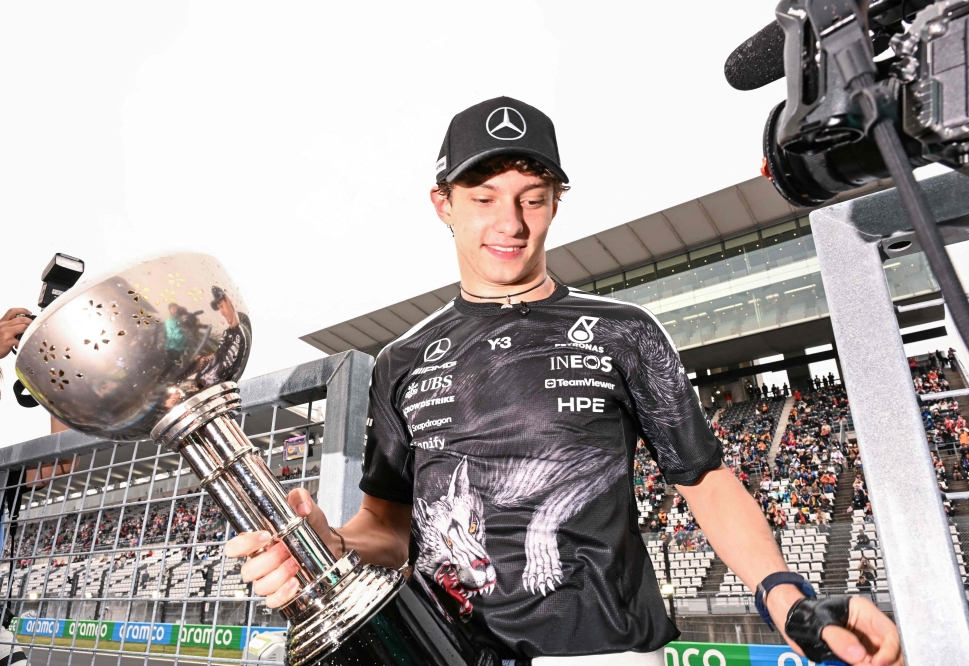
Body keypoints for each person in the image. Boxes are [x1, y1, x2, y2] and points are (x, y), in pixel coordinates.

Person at [224, 97, 901, 666]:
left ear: (556, 203)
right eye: (484, 197)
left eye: (533, 198)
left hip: (606, 652)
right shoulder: (402, 359)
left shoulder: (625, 331)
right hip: (445, 652)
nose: (510, 223)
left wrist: (786, 597)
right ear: (443, 205)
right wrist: (334, 541)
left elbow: (705, 481)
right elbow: (388, 524)